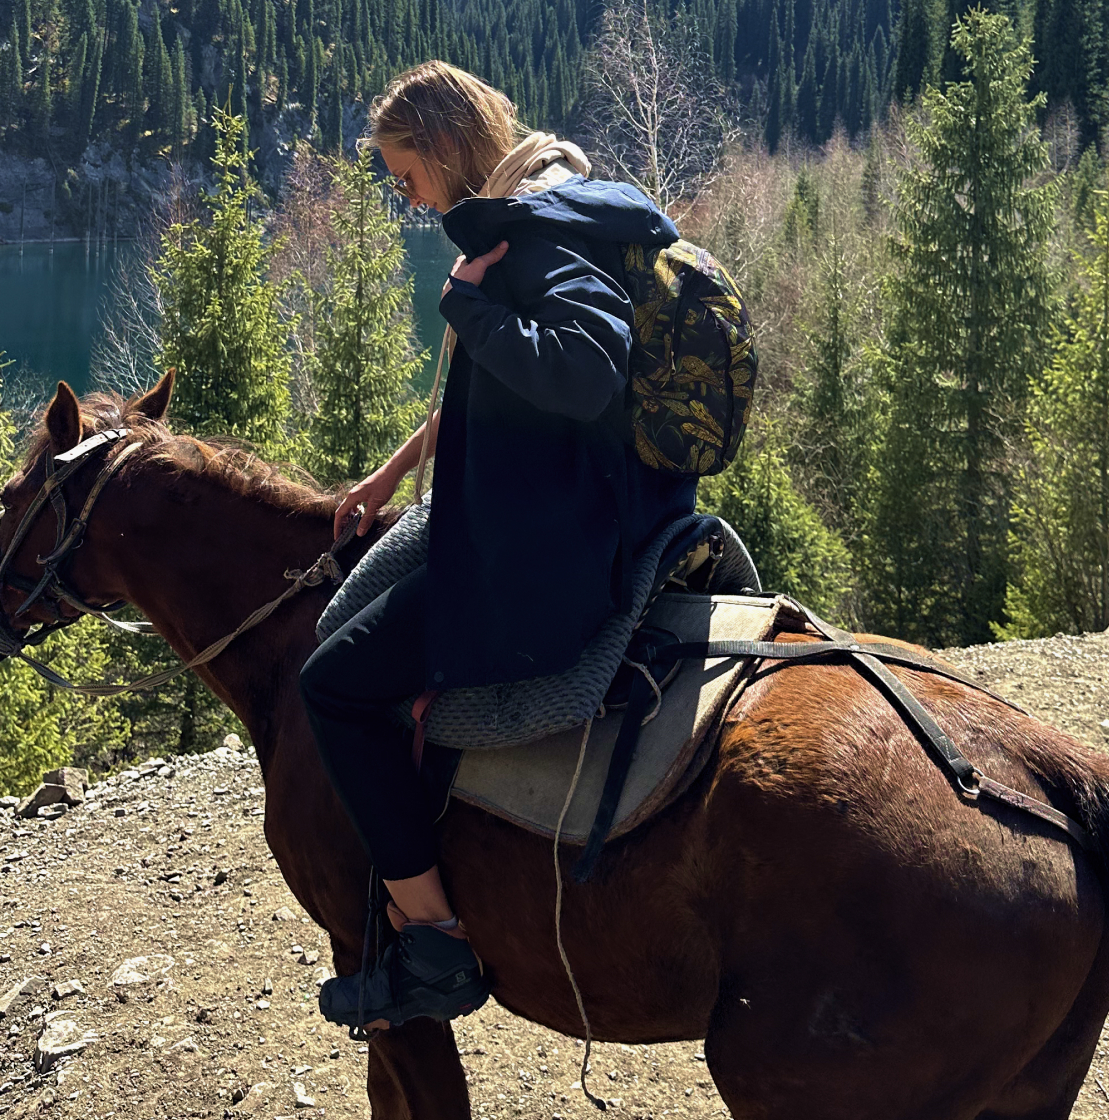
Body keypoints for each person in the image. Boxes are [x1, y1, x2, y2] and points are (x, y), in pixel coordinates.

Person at [301, 60, 697, 1030]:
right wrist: (395, 471)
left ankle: (432, 945)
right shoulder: (547, 205)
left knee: (334, 686)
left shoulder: (532, 237)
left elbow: (584, 373)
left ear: (441, 147)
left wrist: (466, 302)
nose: (405, 196)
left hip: (535, 566)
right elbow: (496, 390)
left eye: (404, 174)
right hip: (553, 524)